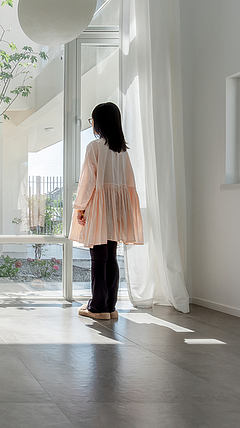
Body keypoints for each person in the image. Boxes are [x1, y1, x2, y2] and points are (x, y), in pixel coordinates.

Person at [70, 102, 144, 320]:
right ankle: (110, 307)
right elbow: (129, 184)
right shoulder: (122, 150)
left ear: (99, 123)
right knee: (111, 256)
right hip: (118, 211)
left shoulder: (94, 147)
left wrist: (80, 208)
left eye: (92, 120)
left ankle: (98, 307)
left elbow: (87, 182)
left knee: (98, 257)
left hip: (99, 209)